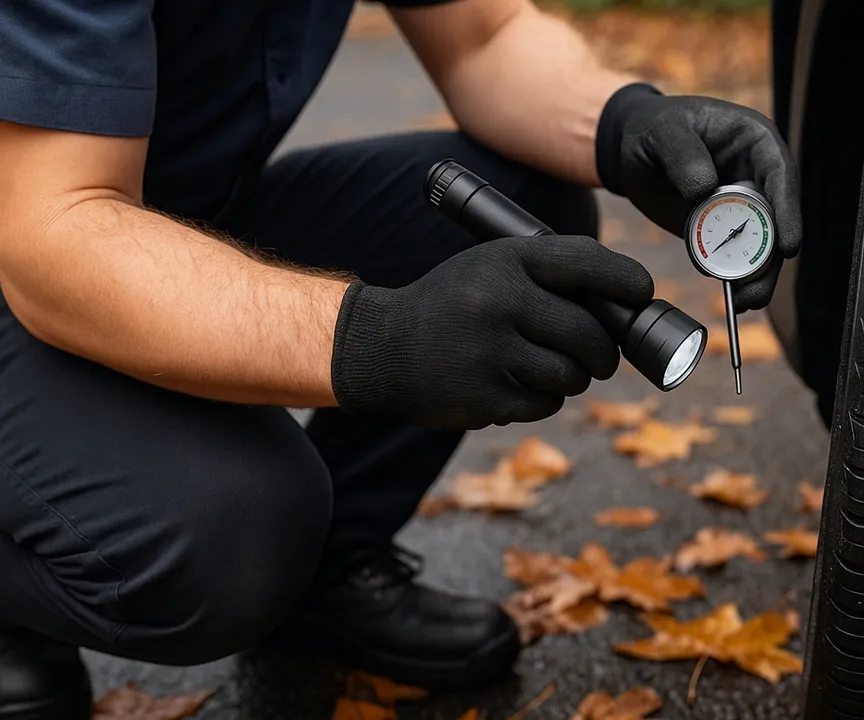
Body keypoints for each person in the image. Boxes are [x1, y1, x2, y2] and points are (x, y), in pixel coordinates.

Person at [0, 0, 801, 715]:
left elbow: (484, 39)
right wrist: (382, 338)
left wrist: (626, 122)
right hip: (36, 241)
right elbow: (57, 232)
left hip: (162, 212)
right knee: (233, 533)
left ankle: (327, 583)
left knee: (523, 202)